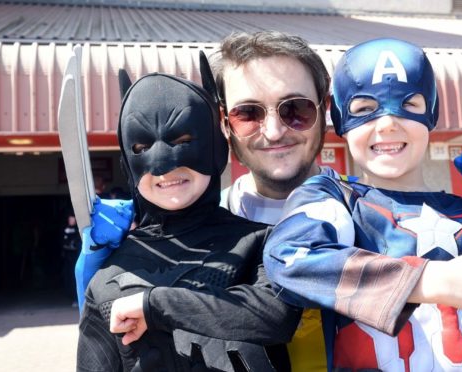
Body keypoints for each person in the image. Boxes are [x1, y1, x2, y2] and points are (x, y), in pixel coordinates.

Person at [76, 31, 462, 372]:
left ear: (326, 111)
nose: (274, 131)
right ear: (224, 124)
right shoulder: (205, 225)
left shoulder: (379, 219)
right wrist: (108, 277)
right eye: (249, 112)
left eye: (295, 110)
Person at [263, 37, 462, 371]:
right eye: (364, 108)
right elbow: (289, 259)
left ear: (431, 112)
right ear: (341, 119)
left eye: (409, 104)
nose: (388, 122)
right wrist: (431, 281)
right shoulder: (336, 201)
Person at [77, 63, 300, 371]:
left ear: (215, 146)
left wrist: (153, 306)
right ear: (128, 162)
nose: (164, 166)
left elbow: (276, 317)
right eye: (142, 147)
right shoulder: (108, 275)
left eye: (182, 141)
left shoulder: (259, 242)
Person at [60, 213, 80, 305]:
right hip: (67, 258)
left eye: (72, 219)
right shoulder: (65, 229)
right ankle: (72, 296)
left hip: (75, 257)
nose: (71, 221)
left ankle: (77, 299)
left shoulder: (78, 231)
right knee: (69, 277)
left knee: (76, 278)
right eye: (69, 219)